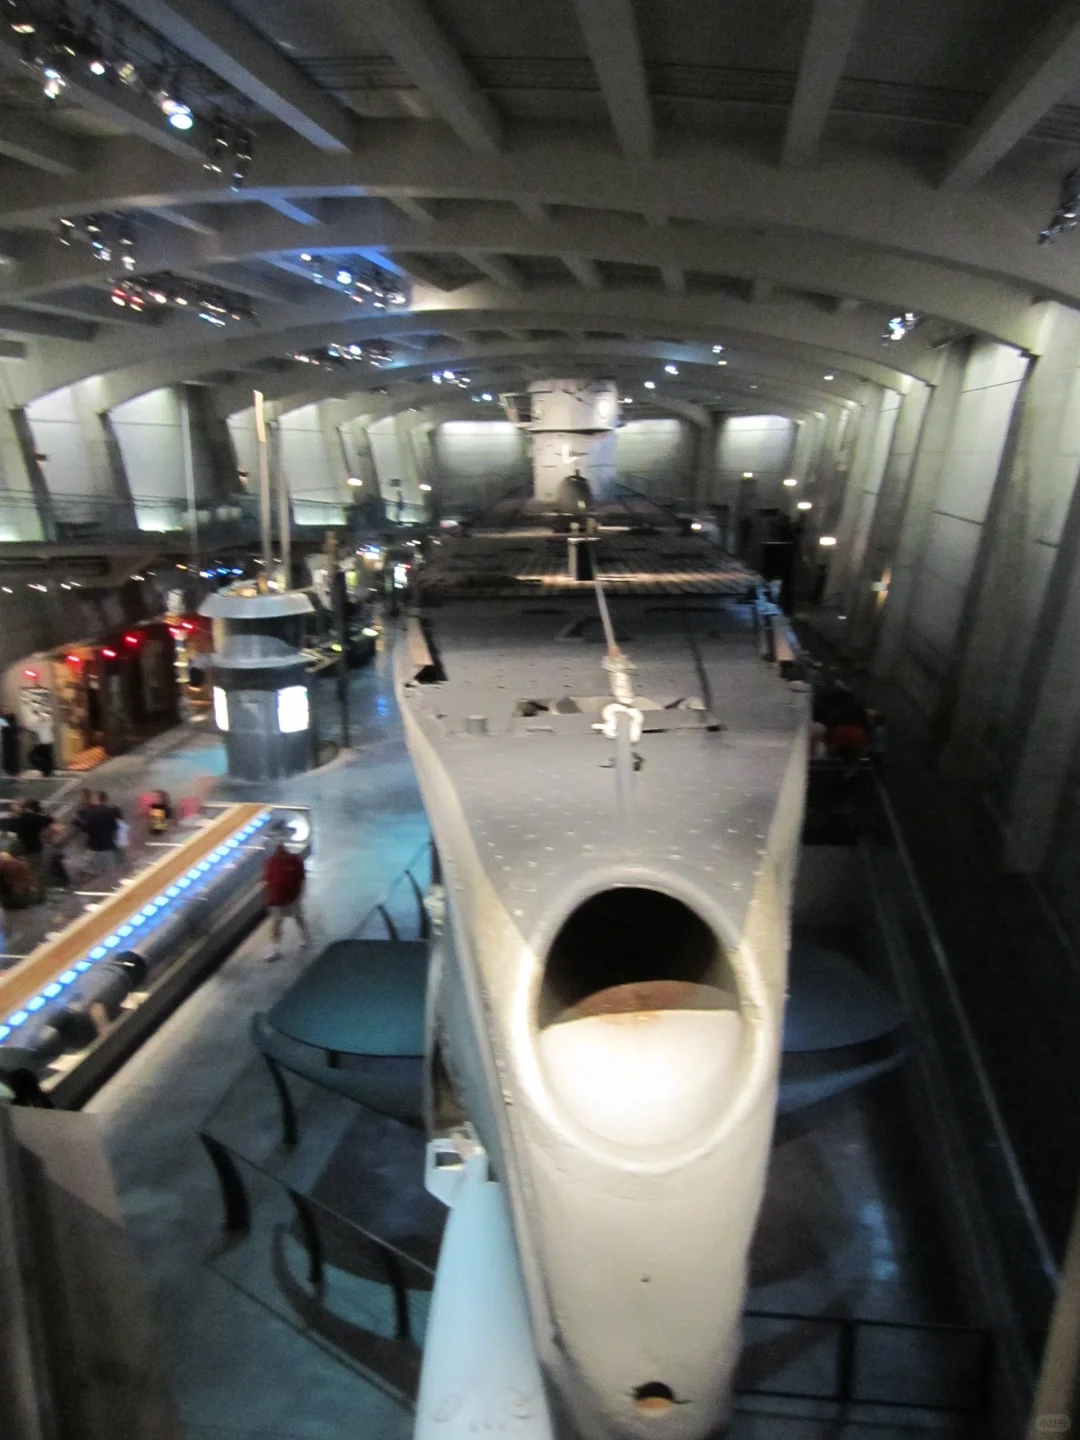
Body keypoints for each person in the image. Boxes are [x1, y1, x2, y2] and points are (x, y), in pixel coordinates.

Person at [263, 839, 309, 960]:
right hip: (278, 899)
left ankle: (303, 937)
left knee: (296, 918)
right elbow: (268, 880)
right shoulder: (272, 862)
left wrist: (300, 894)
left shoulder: (293, 860)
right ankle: (275, 948)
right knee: (279, 923)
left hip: (291, 898)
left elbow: (301, 878)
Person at [80, 791, 123, 876]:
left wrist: (80, 824)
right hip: (108, 844)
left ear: (97, 799)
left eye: (93, 798)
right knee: (110, 869)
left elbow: (86, 829)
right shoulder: (110, 811)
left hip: (95, 846)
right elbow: (115, 827)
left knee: (95, 868)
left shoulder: (92, 813)